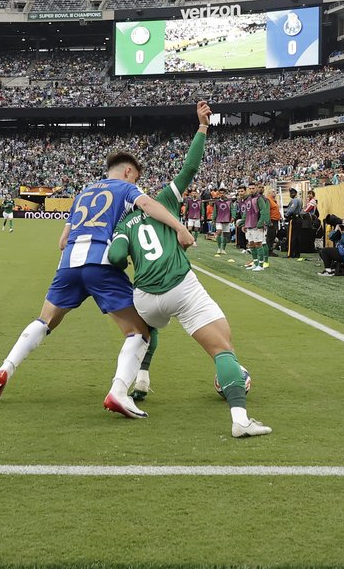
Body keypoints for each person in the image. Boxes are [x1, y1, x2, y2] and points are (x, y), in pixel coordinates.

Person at [0, 110, 199, 418]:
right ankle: (119, 393)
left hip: (69, 263)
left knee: (45, 322)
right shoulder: (126, 189)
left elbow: (62, 241)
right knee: (140, 332)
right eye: (137, 177)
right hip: (101, 264)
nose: (138, 182)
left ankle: (5, 370)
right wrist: (178, 227)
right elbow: (149, 206)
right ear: (127, 172)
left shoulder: (84, 192)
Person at [107, 101, 271, 438]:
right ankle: (240, 418)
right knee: (222, 348)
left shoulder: (123, 222)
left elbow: (115, 258)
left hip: (145, 295)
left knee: (145, 333)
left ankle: (141, 378)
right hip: (181, 287)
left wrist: (125, 255)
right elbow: (190, 167)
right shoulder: (164, 199)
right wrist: (202, 127)